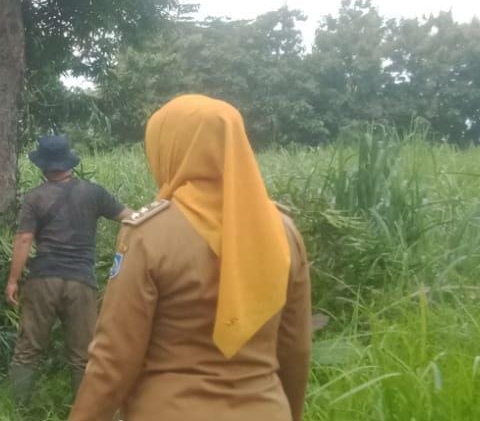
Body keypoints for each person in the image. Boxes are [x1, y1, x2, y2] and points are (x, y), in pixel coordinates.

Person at [70, 95, 313, 421]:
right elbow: (295, 349)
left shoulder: (149, 234)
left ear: (170, 149)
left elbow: (114, 359)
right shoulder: (283, 231)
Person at [4, 134, 131, 403]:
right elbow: (131, 218)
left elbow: (24, 239)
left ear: (43, 165)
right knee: (83, 356)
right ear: (68, 161)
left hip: (43, 280)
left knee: (28, 350)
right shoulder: (94, 192)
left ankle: (16, 411)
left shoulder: (35, 197)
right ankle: (84, 414)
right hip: (81, 282)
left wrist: (13, 280)